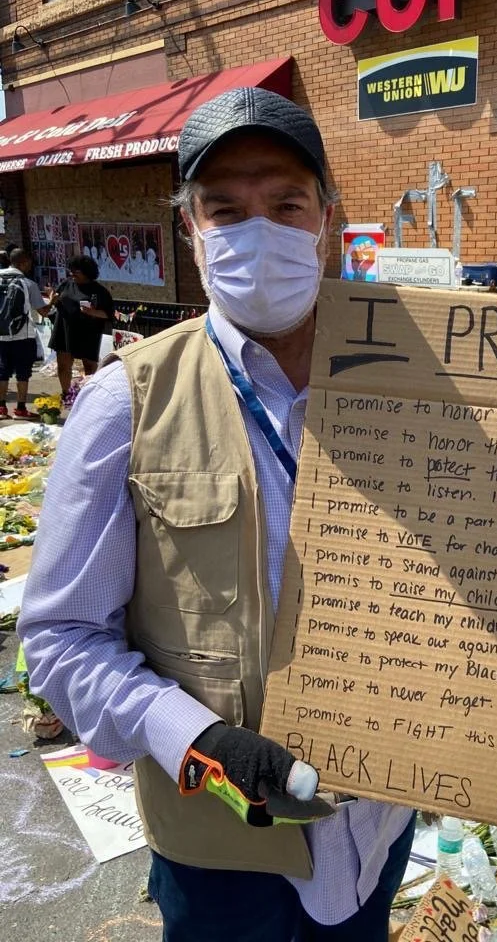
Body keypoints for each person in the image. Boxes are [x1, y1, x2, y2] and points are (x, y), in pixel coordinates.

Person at [19, 88, 415, 942]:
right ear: (192, 232)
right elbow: (59, 640)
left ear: (326, 220)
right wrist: (193, 737)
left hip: (381, 827)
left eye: (285, 205)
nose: (258, 232)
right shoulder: (128, 402)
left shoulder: (417, 384)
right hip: (229, 852)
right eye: (225, 210)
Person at [47, 254, 114, 396]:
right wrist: (52, 299)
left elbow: (108, 314)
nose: (72, 274)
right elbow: (56, 301)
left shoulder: (99, 291)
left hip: (88, 332)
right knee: (63, 366)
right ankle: (66, 394)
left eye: (76, 271)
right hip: (64, 330)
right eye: (71, 270)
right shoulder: (66, 284)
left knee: (89, 367)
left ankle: (90, 395)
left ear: (87, 273)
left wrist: (92, 312)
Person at [0, 248, 51, 419]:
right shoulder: (28, 284)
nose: (30, 265)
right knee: (23, 371)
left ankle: (1, 408)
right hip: (22, 334)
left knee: (2, 371)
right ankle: (21, 408)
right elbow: (43, 312)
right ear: (22, 262)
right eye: (28, 262)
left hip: (0, 335)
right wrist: (53, 299)